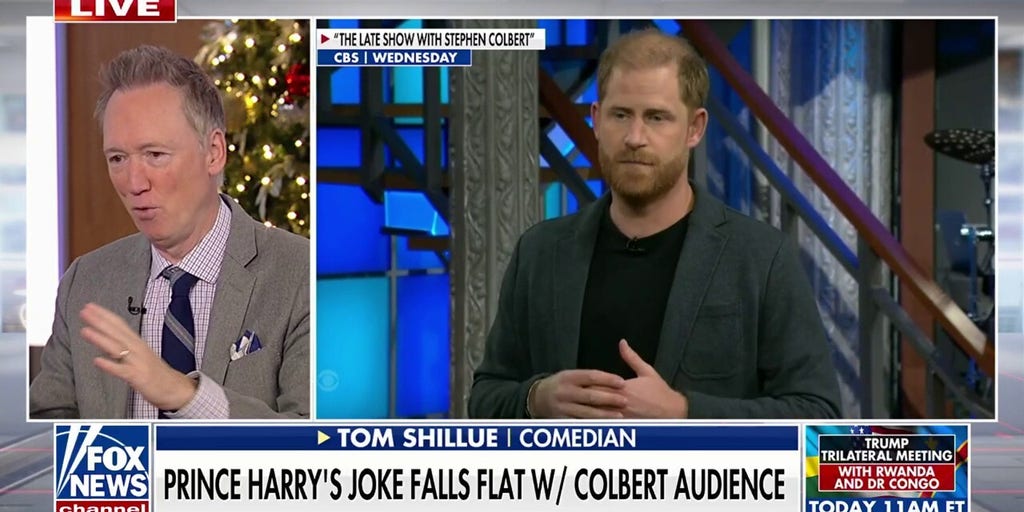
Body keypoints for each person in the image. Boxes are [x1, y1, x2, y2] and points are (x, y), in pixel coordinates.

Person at [468, 28, 842, 420]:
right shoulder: (540, 251)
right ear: (596, 120)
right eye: (620, 115)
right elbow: (485, 397)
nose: (634, 137)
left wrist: (684, 413)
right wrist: (537, 398)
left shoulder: (762, 258)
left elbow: (819, 417)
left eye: (656, 117)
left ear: (695, 128)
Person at [29, 45, 309, 419]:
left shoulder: (302, 274)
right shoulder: (86, 282)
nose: (134, 183)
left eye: (155, 155)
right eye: (117, 159)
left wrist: (185, 396)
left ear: (214, 152)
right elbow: (49, 425)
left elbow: (318, 442)